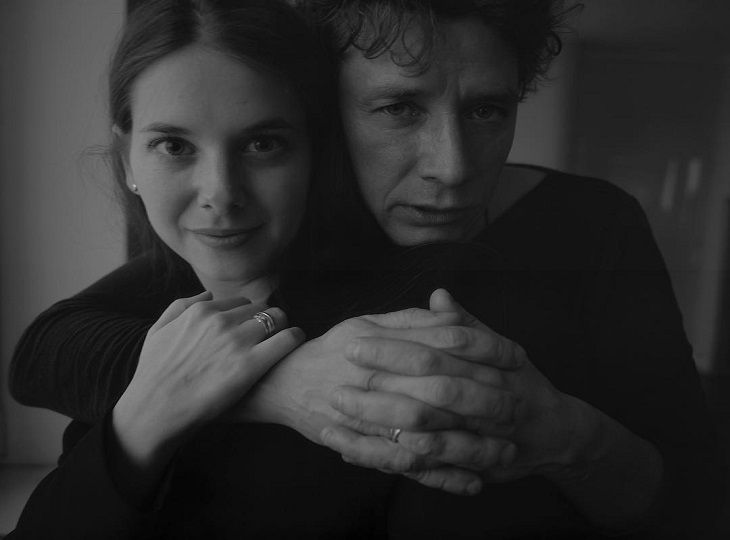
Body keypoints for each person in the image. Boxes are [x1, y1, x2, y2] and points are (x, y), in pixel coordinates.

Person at [10, 0, 722, 538]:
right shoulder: (263, 241)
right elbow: (51, 345)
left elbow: (696, 495)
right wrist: (282, 383)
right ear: (327, 116)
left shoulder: (591, 227)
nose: (452, 169)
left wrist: (569, 439)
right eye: (398, 108)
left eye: (487, 110)